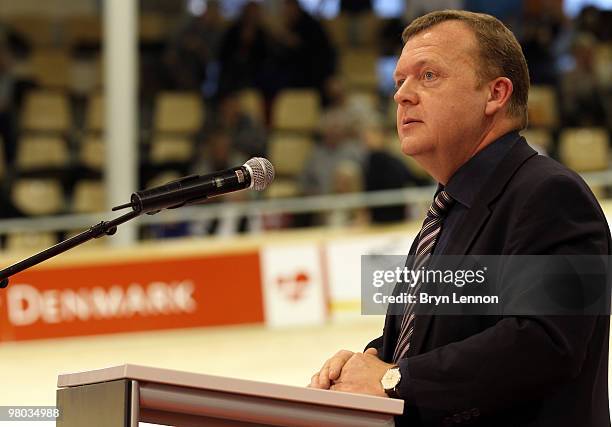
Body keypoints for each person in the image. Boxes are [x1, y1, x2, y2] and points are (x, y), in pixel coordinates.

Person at [308, 10, 611, 427]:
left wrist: (395, 380)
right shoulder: (451, 207)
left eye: (428, 76)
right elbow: (450, 335)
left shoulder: (551, 194)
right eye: (399, 81)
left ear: (495, 94)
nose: (402, 95)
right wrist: (368, 363)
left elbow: (546, 342)